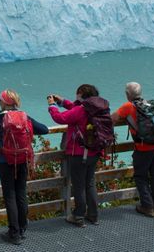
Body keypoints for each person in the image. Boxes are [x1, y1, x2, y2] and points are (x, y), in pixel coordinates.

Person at [0, 89, 48, 244]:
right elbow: (44, 129)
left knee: (10, 196)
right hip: (23, 159)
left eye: (0, 100)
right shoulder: (24, 116)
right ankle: (23, 228)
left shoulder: (0, 118)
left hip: (6, 162)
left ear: (5, 102)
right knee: (21, 193)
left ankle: (14, 233)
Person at [47, 84, 106, 227]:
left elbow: (60, 118)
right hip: (95, 152)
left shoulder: (81, 110)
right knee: (89, 183)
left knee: (79, 186)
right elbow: (74, 108)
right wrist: (62, 101)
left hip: (80, 154)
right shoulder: (99, 108)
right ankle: (93, 215)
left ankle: (78, 216)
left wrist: (52, 106)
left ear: (80, 94)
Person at [111, 82, 154, 218]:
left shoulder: (128, 106)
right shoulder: (150, 104)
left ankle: (147, 207)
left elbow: (112, 119)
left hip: (143, 147)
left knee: (140, 176)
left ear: (127, 95)